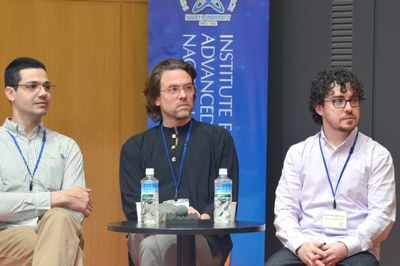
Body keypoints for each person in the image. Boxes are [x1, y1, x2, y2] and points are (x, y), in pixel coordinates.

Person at [266, 68, 396, 266]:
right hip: (308, 245)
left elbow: (382, 216)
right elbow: (285, 211)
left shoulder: (377, 155)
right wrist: (301, 246)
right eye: (338, 101)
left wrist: (345, 246)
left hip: (355, 250)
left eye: (353, 100)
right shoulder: (298, 153)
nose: (349, 108)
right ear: (319, 108)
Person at [119, 58, 239, 266]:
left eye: (188, 88)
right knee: (149, 243)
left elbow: (225, 200)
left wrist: (200, 220)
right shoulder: (135, 147)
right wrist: (176, 215)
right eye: (173, 89)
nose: (183, 95)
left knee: (154, 248)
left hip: (203, 236)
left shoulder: (218, 139)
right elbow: (133, 208)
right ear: (156, 98)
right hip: (147, 234)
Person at [0, 57, 93, 266]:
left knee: (60, 221)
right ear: (10, 93)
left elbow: (76, 210)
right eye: (32, 86)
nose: (43, 93)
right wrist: (55, 198)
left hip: (56, 229)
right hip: (6, 234)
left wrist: (59, 206)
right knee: (68, 248)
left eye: (47, 86)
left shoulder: (66, 146)